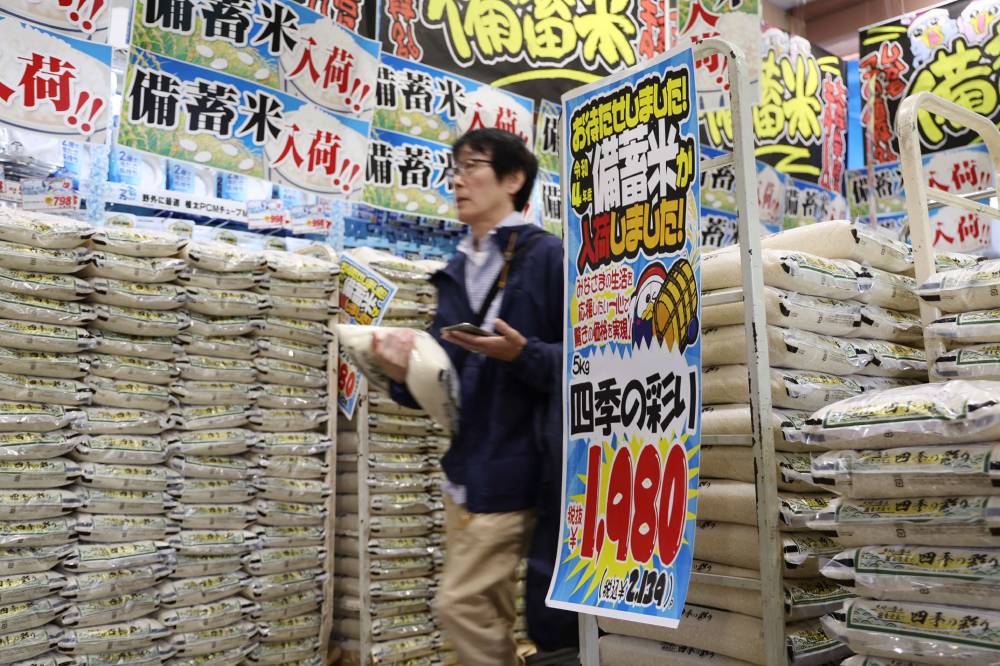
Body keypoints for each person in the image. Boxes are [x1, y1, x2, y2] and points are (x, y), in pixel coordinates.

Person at [370, 128, 574, 665]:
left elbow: (587, 364)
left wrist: (522, 354)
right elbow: (448, 384)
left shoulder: (547, 258)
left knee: (460, 605)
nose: (458, 179)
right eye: (454, 167)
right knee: (484, 612)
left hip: (522, 468)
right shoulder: (457, 271)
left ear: (513, 179)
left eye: (473, 166)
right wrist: (398, 370)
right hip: (466, 471)